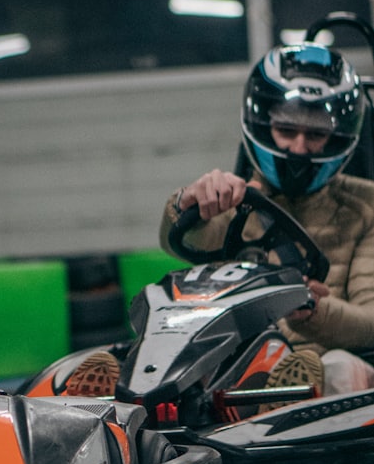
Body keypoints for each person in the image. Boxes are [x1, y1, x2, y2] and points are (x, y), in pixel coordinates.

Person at [62, 41, 374, 402]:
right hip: (240, 366)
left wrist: (312, 309)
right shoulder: (234, 199)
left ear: (339, 138)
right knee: (125, 359)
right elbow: (183, 239)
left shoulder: (367, 206)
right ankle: (124, 402)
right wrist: (186, 202)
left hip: (327, 372)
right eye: (287, 130)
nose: (299, 148)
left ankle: (280, 402)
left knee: (338, 368)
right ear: (263, 125)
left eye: (316, 134)